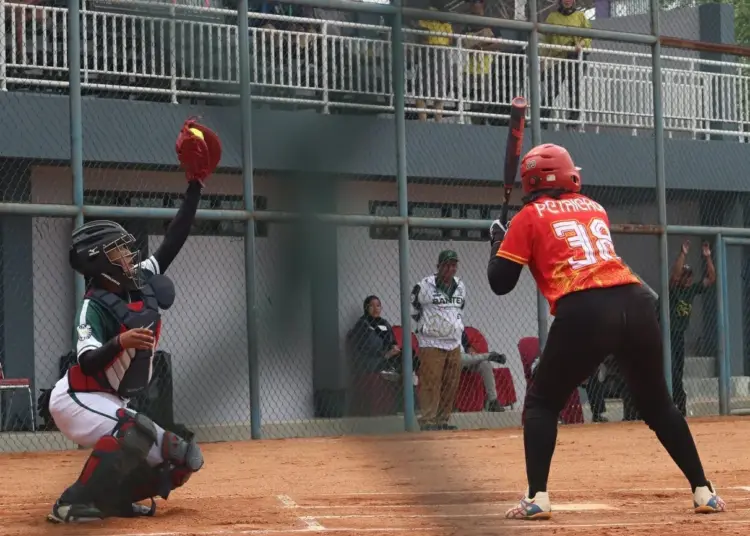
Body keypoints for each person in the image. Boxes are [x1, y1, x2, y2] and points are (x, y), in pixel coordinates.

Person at [486, 143, 725, 520]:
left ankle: (537, 497)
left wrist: (497, 243)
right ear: (567, 175)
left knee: (542, 402)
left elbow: (500, 283)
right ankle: (704, 491)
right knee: (658, 403)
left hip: (585, 308)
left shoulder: (527, 217)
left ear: (530, 181)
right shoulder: (594, 207)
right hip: (637, 300)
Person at [46, 119, 222, 523]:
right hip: (75, 398)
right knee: (134, 433)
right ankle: (70, 503)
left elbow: (174, 238)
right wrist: (120, 344)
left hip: (111, 400)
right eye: (118, 252)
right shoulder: (94, 304)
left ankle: (113, 499)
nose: (129, 255)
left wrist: (195, 185)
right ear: (99, 262)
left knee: (181, 457)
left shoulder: (140, 276)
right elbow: (88, 362)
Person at [411, 250, 466, 431]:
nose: (450, 268)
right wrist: (425, 326)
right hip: (431, 342)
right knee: (430, 381)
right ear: (439, 266)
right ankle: (427, 420)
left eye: (453, 265)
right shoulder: (425, 285)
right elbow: (413, 307)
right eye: (447, 265)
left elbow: (460, 309)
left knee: (451, 381)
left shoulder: (460, 285)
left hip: (453, 342)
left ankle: (443, 420)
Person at [668, 240, 715, 416]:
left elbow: (711, 279)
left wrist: (708, 257)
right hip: (667, 334)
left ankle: (680, 403)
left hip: (679, 335)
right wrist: (683, 253)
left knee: (678, 371)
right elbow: (674, 275)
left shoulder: (691, 290)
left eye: (690, 276)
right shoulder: (674, 289)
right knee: (671, 370)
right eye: (685, 276)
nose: (688, 279)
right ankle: (673, 402)